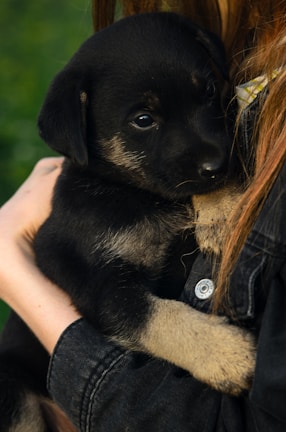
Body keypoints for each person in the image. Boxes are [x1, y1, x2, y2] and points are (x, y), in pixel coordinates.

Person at [0, 0, 286, 430]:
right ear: (82, 132)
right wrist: (204, 347)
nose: (208, 154)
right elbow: (111, 302)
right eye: (144, 120)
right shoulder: (91, 211)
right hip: (34, 385)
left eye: (206, 96)